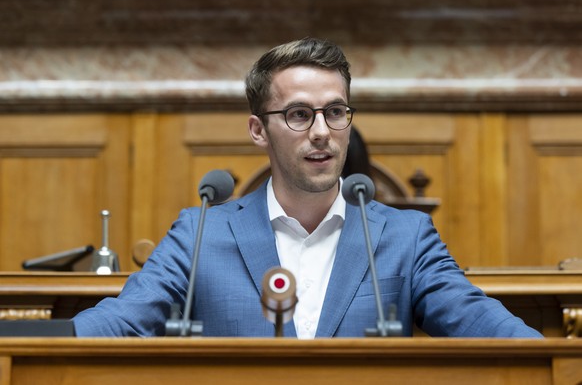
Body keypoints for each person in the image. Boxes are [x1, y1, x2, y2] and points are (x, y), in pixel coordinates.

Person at [73, 37, 542, 338]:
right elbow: (125, 319)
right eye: (299, 114)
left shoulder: (406, 236)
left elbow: (479, 322)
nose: (322, 131)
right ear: (258, 130)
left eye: (335, 112)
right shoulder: (200, 233)